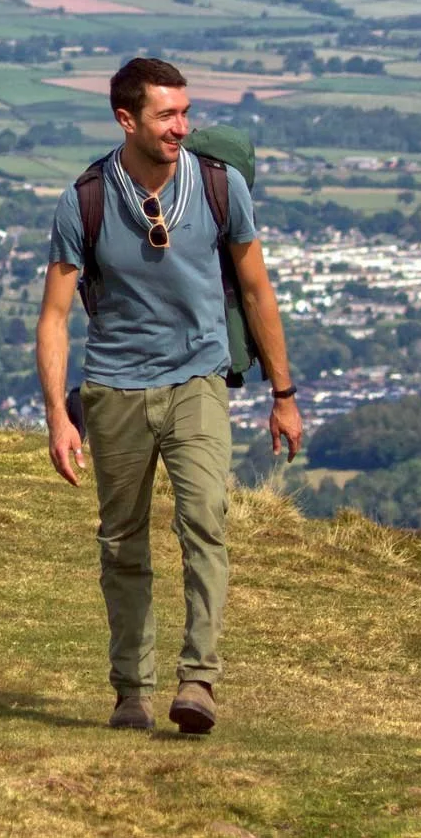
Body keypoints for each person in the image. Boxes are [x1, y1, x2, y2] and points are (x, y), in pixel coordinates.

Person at [35, 56, 302, 735]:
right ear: (127, 119)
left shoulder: (219, 186)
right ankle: (131, 690)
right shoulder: (86, 199)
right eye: (167, 114)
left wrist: (284, 391)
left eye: (186, 112)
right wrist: (59, 418)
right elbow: (55, 317)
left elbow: (255, 289)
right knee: (122, 542)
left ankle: (199, 680)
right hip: (116, 387)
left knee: (205, 517)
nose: (182, 126)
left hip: (198, 377)